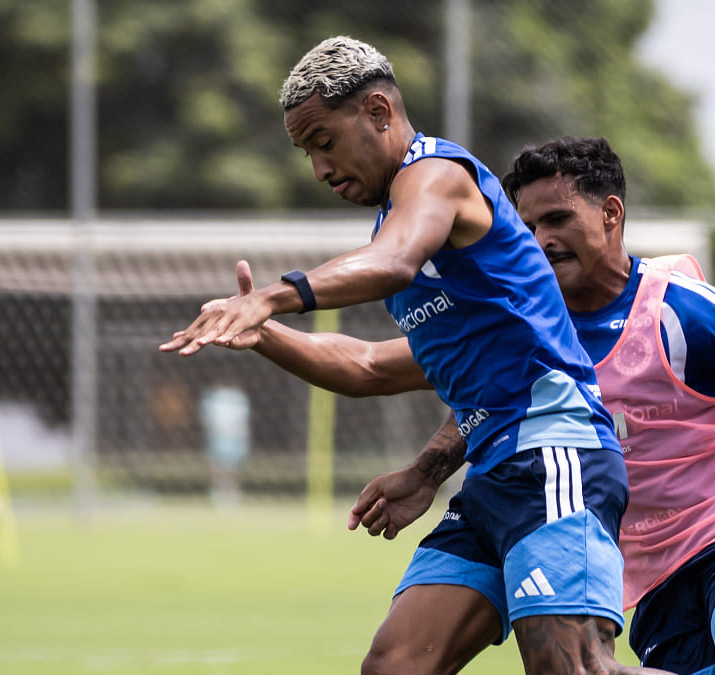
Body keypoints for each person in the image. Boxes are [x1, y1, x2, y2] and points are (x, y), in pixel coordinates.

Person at [236, 137, 715, 675]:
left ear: (611, 216)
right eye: (529, 224)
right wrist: (424, 465)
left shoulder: (683, 309)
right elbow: (395, 370)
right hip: (641, 563)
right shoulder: (519, 321)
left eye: (560, 220)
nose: (542, 241)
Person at [160, 38, 669, 675]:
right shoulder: (404, 227)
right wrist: (263, 335)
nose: (319, 168)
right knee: (395, 666)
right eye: (306, 152)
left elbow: (393, 263)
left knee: (575, 670)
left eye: (323, 141)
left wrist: (275, 297)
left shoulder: (437, 178)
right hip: (492, 477)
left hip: (553, 459)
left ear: (378, 111)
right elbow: (372, 366)